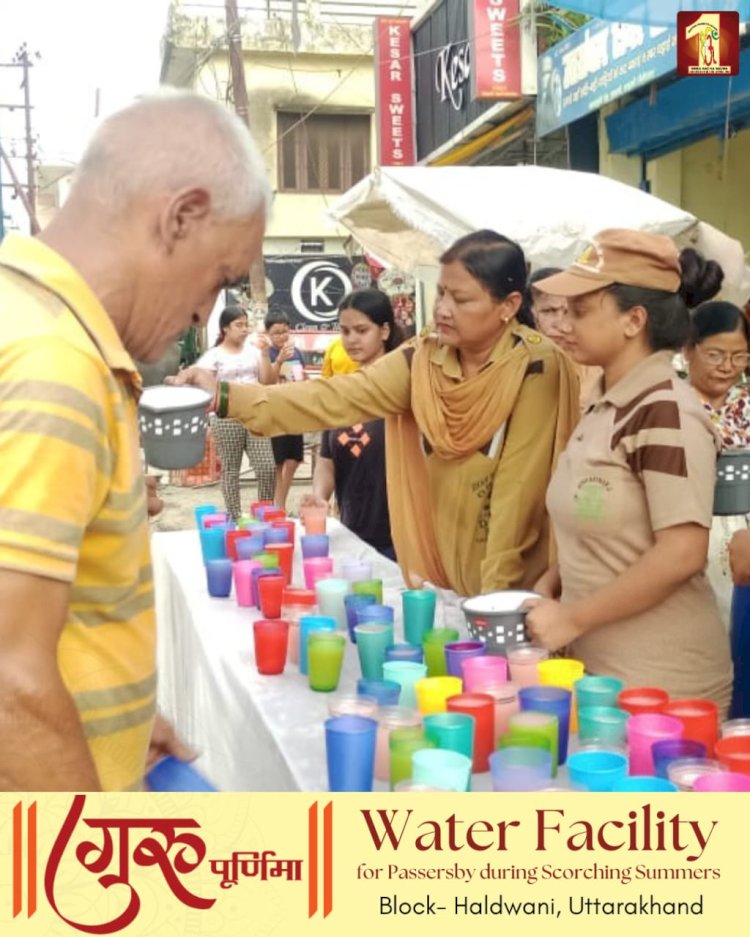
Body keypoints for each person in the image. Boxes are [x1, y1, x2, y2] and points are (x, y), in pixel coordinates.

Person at [0, 89, 270, 790]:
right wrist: (92, 873)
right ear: (181, 216)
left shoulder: (26, 318)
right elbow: (8, 683)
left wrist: (103, 724)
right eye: (222, 278)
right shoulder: (52, 363)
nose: (204, 312)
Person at [172, 229, 580, 597]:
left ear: (508, 305)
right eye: (440, 293)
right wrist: (226, 396)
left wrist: (494, 604)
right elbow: (334, 397)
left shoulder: (535, 366)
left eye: (462, 299)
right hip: (439, 569)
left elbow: (517, 492)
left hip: (514, 585)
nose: (442, 310)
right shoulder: (423, 360)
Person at [525, 229, 733, 713]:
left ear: (633, 320)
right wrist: (554, 580)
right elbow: (615, 527)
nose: (564, 324)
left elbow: (682, 551)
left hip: (661, 686)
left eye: (581, 311)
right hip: (604, 673)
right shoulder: (607, 404)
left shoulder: (665, 410)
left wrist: (573, 617)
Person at [302, 289, 402, 558]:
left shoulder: (404, 389)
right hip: (352, 533)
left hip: (401, 539)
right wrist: (320, 497)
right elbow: (326, 460)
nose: (352, 339)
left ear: (384, 331)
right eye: (345, 331)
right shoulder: (342, 392)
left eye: (361, 330)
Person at [683, 301, 750, 626]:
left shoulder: (747, 404)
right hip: (692, 528)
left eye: (739, 357)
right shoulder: (671, 405)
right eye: (715, 355)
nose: (727, 366)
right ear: (688, 350)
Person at [196, 306, 276, 520]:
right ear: (225, 329)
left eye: (246, 324)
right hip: (226, 416)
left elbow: (268, 381)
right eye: (238, 325)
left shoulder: (255, 352)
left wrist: (266, 354)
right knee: (231, 469)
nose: (244, 329)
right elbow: (206, 388)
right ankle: (234, 516)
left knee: (266, 466)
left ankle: (265, 512)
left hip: (254, 413)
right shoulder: (213, 356)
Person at [258, 310, 305, 510]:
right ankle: (279, 507)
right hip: (274, 410)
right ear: (268, 333)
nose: (281, 336)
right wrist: (278, 361)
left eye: (285, 331)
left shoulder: (297, 352)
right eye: (276, 332)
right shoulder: (266, 354)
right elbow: (265, 381)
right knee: (277, 462)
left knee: (294, 459)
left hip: (294, 408)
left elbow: (301, 376)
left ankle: (281, 502)